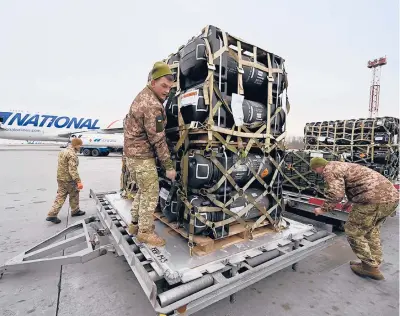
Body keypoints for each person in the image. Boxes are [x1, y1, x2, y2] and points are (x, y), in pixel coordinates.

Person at [310, 157, 399, 280]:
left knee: (353, 231)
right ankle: (374, 261)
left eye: (315, 170)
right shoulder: (341, 165)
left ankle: (369, 267)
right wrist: (350, 201)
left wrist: (323, 209)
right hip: (391, 198)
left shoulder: (329, 170)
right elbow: (358, 183)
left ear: (319, 167)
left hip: (372, 201)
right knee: (371, 230)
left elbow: (336, 194)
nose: (317, 173)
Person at [124, 61, 176, 247]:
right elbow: (158, 139)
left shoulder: (143, 96)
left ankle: (135, 225)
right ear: (153, 82)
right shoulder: (152, 105)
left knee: (143, 191)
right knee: (150, 193)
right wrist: (169, 166)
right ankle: (145, 232)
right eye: (163, 86)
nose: (166, 91)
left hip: (132, 156)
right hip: (142, 157)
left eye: (170, 88)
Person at [46, 138, 86, 223]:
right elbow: (72, 170)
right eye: (80, 145)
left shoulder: (63, 151)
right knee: (73, 194)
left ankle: (53, 214)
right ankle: (74, 211)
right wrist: (78, 181)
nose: (81, 147)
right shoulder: (72, 154)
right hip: (68, 179)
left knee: (62, 195)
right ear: (76, 145)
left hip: (60, 178)